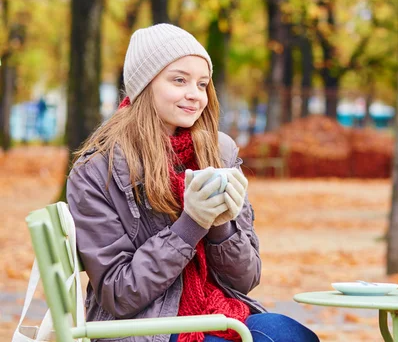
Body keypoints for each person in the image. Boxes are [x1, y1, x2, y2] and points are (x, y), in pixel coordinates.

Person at [66, 24, 320, 342]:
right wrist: (192, 224)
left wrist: (223, 226)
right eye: (179, 80)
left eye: (202, 84)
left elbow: (245, 280)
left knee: (293, 336)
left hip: (218, 308)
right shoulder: (99, 169)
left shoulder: (218, 152)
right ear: (145, 85)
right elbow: (118, 294)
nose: (194, 95)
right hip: (144, 326)